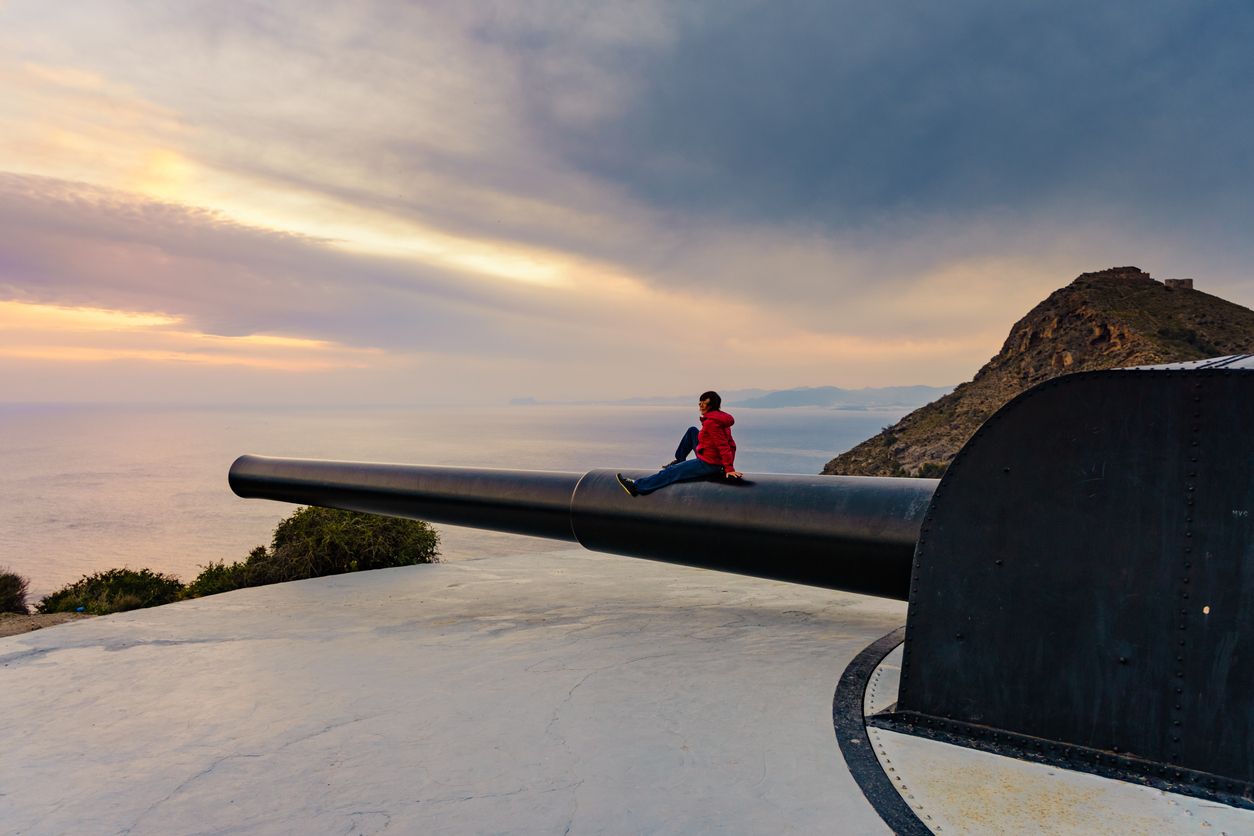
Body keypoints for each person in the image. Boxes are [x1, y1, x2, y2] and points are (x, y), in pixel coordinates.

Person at [617, 391, 743, 496]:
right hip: (712, 458)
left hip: (709, 463)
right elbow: (731, 444)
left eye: (704, 403)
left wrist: (728, 469)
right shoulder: (719, 418)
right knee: (692, 431)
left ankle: (637, 487)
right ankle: (680, 459)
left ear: (712, 405)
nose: (700, 406)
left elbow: (724, 446)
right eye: (700, 403)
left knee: (672, 471)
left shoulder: (712, 423)